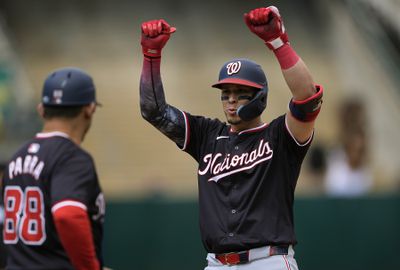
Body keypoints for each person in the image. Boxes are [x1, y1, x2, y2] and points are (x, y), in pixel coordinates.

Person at [140, 5, 323, 270]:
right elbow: (153, 111)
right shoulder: (207, 135)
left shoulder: (280, 136)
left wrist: (278, 42)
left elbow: (307, 98)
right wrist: (151, 55)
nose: (231, 99)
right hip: (217, 264)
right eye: (225, 92)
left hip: (267, 260)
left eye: (240, 92)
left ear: (260, 96)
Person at [1, 67, 105, 270]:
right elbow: (68, 214)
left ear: (41, 110)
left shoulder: (15, 158)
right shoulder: (71, 158)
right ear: (89, 109)